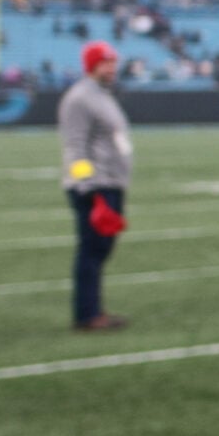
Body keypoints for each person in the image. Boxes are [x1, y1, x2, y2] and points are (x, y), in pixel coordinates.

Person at [58, 37, 131, 332]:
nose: (111, 67)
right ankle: (87, 315)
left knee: (101, 249)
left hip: (111, 183)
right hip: (95, 186)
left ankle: (94, 310)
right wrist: (88, 187)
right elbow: (75, 147)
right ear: (91, 65)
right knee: (91, 249)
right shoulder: (79, 98)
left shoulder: (102, 94)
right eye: (105, 62)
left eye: (113, 62)